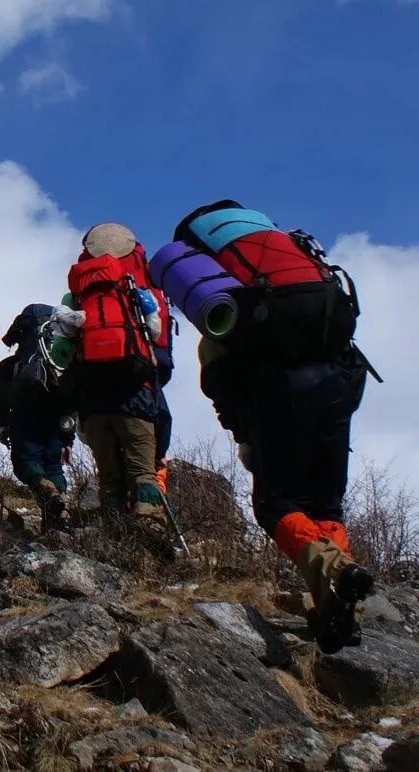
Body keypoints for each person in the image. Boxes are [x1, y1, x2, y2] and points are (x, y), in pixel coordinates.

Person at [168, 200, 373, 653]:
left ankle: (336, 572)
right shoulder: (296, 257)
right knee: (326, 508)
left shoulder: (235, 299)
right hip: (338, 383)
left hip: (281, 393)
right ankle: (334, 612)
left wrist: (243, 429)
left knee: (274, 504)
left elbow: (217, 374)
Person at [57, 223, 171, 531]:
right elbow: (155, 331)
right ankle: (149, 526)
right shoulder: (135, 290)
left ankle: (113, 532)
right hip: (134, 393)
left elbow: (60, 349)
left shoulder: (75, 298)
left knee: (108, 477)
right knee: (143, 471)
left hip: (93, 403)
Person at [0, 304, 76, 532]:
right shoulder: (60, 357)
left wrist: (2, 425)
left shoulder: (10, 366)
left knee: (26, 463)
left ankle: (49, 494)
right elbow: (71, 395)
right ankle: (60, 520)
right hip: (55, 418)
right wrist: (68, 439)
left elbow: (0, 397)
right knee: (53, 465)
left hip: (23, 416)